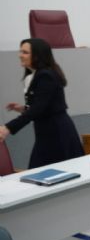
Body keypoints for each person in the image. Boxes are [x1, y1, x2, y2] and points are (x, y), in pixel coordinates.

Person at [0, 38, 84, 168]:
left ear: (37, 55)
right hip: (47, 133)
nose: (20, 55)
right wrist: (23, 108)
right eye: (20, 51)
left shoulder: (46, 76)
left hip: (57, 133)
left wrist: (8, 127)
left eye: (25, 52)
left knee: (57, 172)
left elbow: (38, 108)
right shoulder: (37, 75)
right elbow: (42, 105)